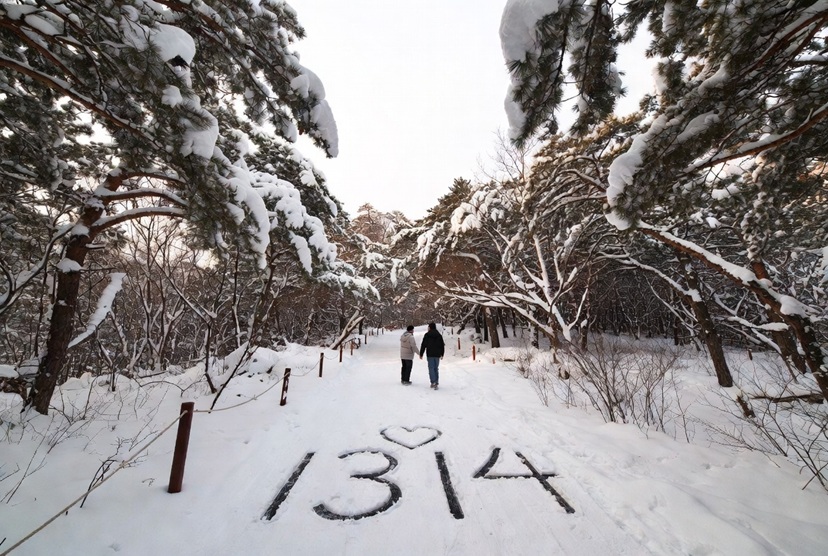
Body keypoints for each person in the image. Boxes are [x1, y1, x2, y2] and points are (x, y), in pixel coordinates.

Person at [419, 322, 445, 390]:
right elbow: (442, 345)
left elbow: (423, 345)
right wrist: (442, 353)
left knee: (431, 368)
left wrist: (421, 353)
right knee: (436, 368)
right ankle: (436, 381)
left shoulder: (427, 335)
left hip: (430, 354)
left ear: (430, 327)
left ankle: (433, 382)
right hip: (437, 354)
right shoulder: (439, 335)